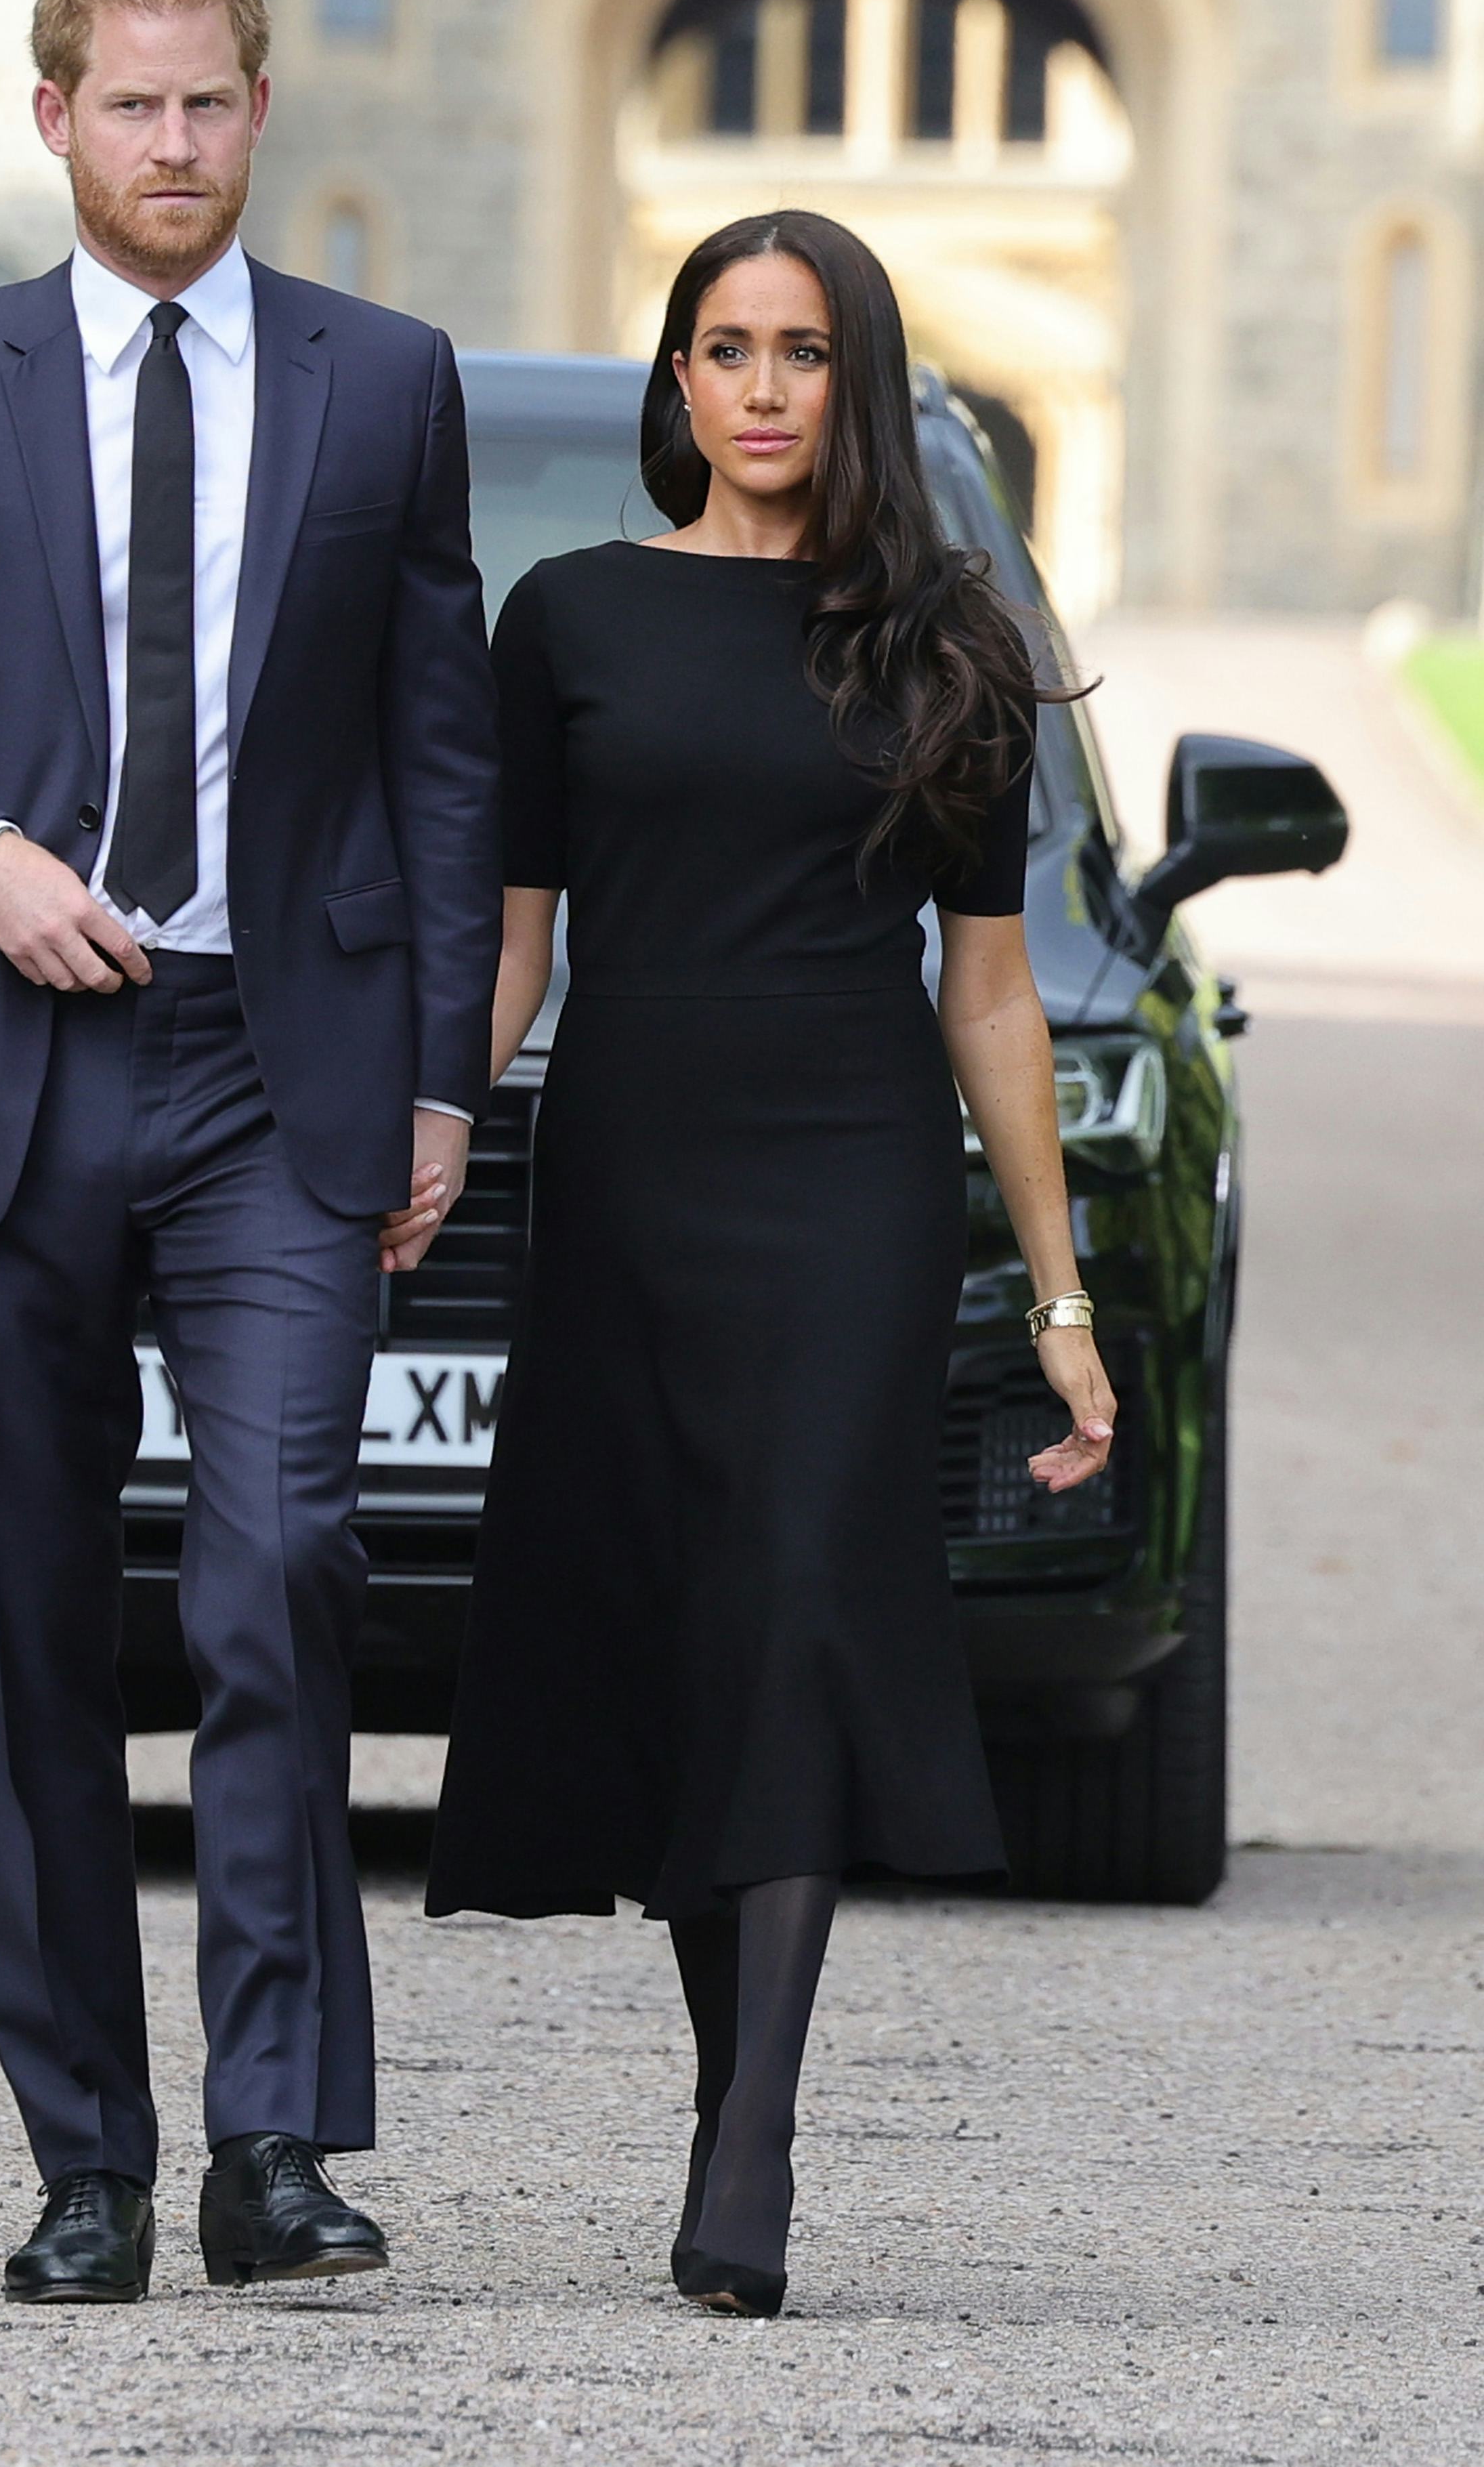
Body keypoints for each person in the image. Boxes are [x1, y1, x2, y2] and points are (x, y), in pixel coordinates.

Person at [0, 0, 499, 2305]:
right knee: (32, 1625)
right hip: (6, 1058)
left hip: (284, 1067)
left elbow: (441, 752)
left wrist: (446, 1068)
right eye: (133, 105)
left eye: (210, 103)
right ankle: (87, 2158)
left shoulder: (387, 382)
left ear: (262, 112)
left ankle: (274, 2144)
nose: (175, 145)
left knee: (279, 1570)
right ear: (55, 114)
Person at [424, 211, 1117, 2319]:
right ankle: (735, 2091)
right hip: (628, 1164)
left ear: (856, 383)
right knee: (687, 1624)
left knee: (805, 1592)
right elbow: (513, 944)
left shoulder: (946, 641)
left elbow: (990, 991)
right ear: (678, 379)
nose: (759, 387)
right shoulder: (570, 617)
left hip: (850, 1176)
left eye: (801, 351)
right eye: (723, 347)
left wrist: (1062, 1300)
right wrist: (428, 1128)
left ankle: (755, 2140)